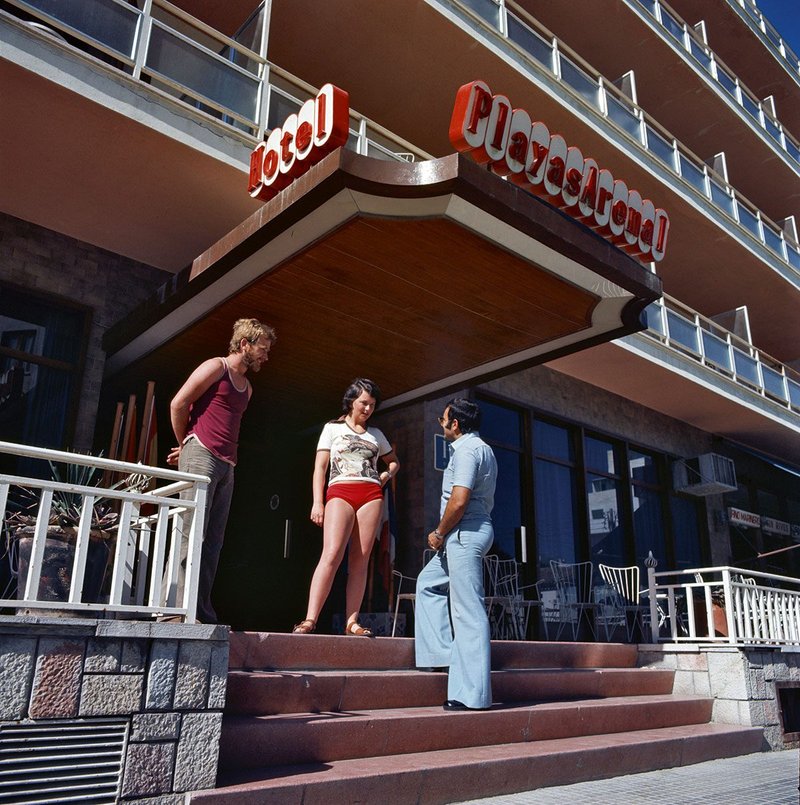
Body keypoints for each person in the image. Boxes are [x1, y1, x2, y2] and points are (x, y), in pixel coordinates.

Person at [164, 317, 276, 623]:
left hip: (228, 464)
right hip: (201, 452)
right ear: (244, 344)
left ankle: (199, 609)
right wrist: (187, 442)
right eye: (262, 349)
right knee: (191, 531)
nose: (266, 356)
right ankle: (173, 611)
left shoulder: (248, 388)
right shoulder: (216, 367)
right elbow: (179, 403)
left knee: (214, 539)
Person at [293, 378, 400, 636]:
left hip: (371, 495)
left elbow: (394, 461)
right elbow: (320, 467)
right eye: (363, 402)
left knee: (360, 561)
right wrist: (318, 501)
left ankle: (352, 622)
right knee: (331, 554)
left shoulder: (377, 435)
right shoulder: (332, 428)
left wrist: (384, 476)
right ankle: (310, 619)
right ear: (351, 401)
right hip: (339, 491)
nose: (367, 409)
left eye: (372, 405)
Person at [415, 398, 498, 711]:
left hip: (463, 532)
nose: (441, 424)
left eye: (443, 419)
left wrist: (438, 532)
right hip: (468, 533)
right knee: (427, 583)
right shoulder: (484, 449)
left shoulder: (466, 451)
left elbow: (459, 500)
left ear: (456, 425)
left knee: (467, 610)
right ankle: (443, 656)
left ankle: (471, 694)